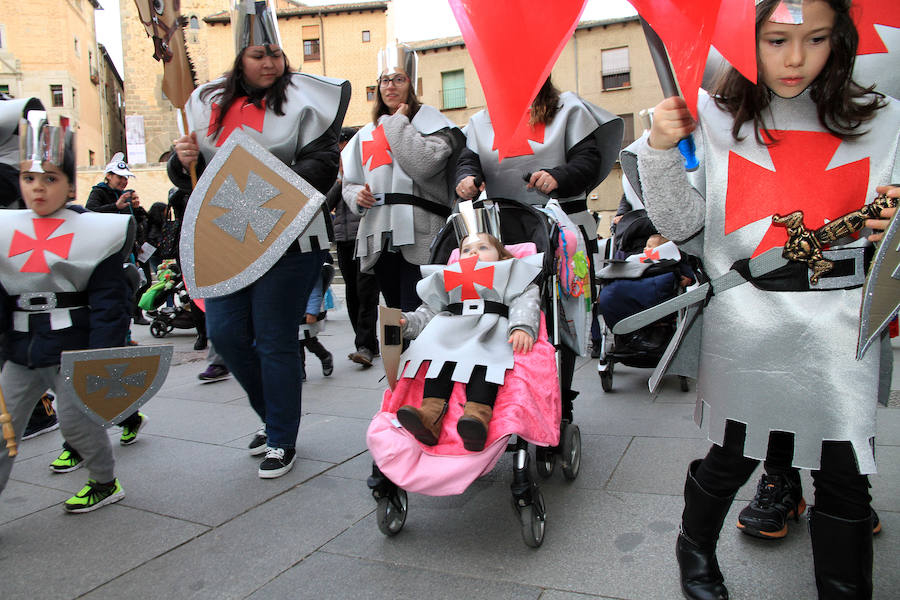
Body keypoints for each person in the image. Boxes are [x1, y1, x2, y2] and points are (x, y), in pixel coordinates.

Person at [630, 1, 900, 597]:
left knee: (845, 474)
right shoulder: (711, 117)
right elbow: (683, 225)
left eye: (816, 38)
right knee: (734, 455)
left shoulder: (887, 122)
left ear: (840, 38)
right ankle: (693, 547)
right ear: (747, 36)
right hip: (748, 321)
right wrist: (659, 149)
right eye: (776, 40)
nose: (796, 58)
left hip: (840, 330)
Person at [168, 1, 350, 479]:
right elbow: (196, 177)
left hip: (293, 239)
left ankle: (281, 437)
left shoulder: (308, 101)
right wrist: (180, 159)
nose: (269, 63)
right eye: (258, 55)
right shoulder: (206, 104)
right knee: (226, 335)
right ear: (240, 59)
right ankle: (272, 417)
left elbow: (322, 165)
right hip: (230, 236)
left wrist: (265, 192)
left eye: (275, 53)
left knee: (274, 339)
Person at [455, 76, 621, 423]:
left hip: (562, 231)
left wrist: (558, 175)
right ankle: (500, 396)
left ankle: (561, 399)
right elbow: (468, 161)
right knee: (502, 314)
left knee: (562, 320)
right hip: (503, 235)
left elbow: (588, 161)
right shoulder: (481, 121)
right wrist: (467, 179)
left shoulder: (568, 109)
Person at [0, 111, 135, 512]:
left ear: (70, 184)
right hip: (21, 351)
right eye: (29, 178)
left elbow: (111, 302)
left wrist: (100, 357)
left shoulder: (93, 230)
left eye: (50, 178)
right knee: (2, 429)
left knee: (78, 424)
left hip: (72, 351)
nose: (38, 188)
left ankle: (104, 481)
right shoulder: (6, 230)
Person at [395, 209, 542, 452]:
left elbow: (525, 300)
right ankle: (429, 416)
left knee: (485, 368)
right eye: (466, 250)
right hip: (449, 333)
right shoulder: (447, 278)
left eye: (483, 247)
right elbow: (429, 310)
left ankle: (477, 418)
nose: (473, 252)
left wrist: (522, 326)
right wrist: (408, 322)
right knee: (438, 365)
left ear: (502, 256)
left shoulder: (510, 274)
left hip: (489, 333)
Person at [342, 43, 464, 312]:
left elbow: (424, 164)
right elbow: (349, 182)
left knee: (419, 312)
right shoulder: (365, 133)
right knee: (394, 313)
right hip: (379, 235)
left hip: (422, 234)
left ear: (411, 84)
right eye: (385, 80)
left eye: (399, 79)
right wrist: (356, 197)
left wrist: (397, 123)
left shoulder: (433, 124)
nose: (391, 86)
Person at [327, 126, 380, 368]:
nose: (342, 154)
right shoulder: (337, 174)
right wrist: (341, 179)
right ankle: (366, 343)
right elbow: (327, 202)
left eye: (344, 149)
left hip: (367, 235)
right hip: (344, 238)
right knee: (352, 292)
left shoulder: (368, 167)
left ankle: (365, 345)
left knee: (366, 290)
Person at [299, 255, 334, 382]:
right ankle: (299, 371)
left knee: (309, 341)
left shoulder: (311, 268)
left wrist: (312, 312)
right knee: (296, 344)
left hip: (307, 314)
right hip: (292, 313)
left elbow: (316, 292)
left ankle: (325, 356)